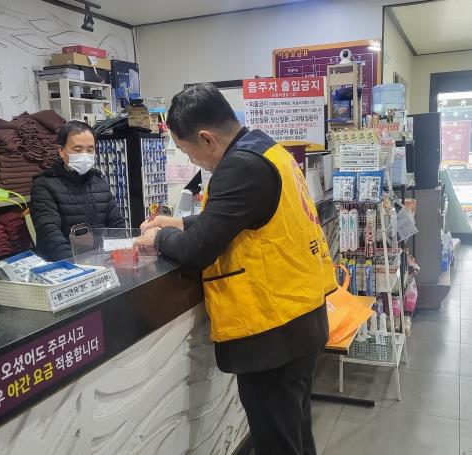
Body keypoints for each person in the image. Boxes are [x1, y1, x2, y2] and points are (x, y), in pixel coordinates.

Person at [137, 83, 337, 455]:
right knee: (295, 433)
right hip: (300, 315)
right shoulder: (267, 150)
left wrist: (158, 239)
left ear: (206, 138)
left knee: (278, 444)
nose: (192, 161)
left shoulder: (239, 167)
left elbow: (197, 251)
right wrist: (178, 223)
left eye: (187, 151)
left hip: (273, 329)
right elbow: (240, 219)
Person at [31, 121, 125, 261]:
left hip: (102, 261)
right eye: (77, 149)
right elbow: (50, 235)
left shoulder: (99, 182)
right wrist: (79, 263)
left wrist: (115, 255)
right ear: (61, 151)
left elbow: (117, 226)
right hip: (65, 265)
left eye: (90, 149)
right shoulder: (44, 185)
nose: (84, 155)